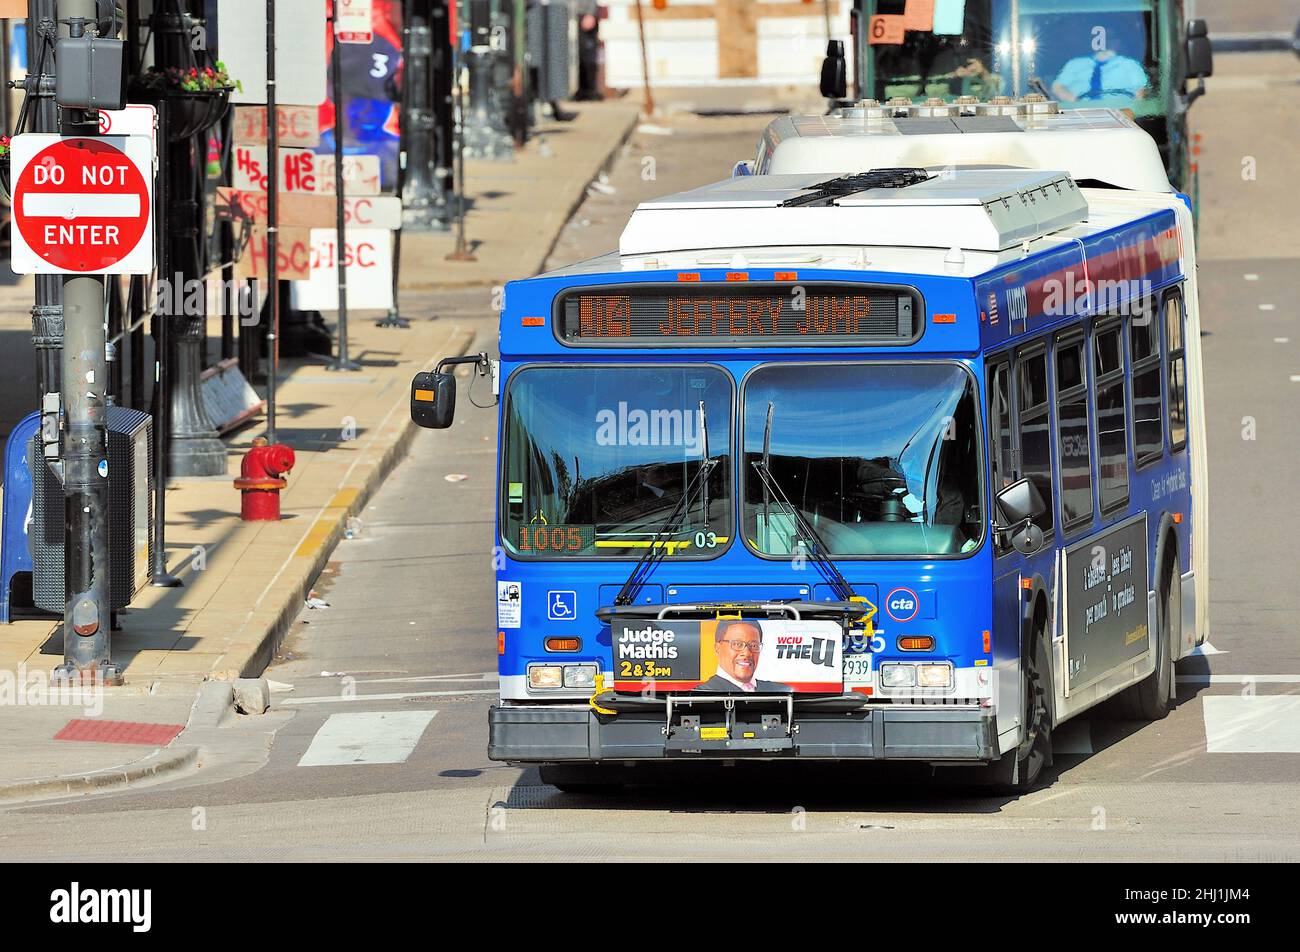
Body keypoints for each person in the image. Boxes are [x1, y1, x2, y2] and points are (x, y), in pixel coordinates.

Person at [694, 620, 791, 693]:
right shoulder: (702, 693)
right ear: (717, 647)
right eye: (737, 644)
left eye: (754, 646)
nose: (747, 653)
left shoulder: (781, 691)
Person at [1051, 37, 1148, 102]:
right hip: (1078, 116)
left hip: (1120, 117)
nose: (1105, 41)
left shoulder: (1130, 64)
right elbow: (1057, 87)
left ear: (1118, 41)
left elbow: (1140, 93)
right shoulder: (1075, 63)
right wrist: (1076, 103)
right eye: (1100, 38)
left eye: (1110, 37)